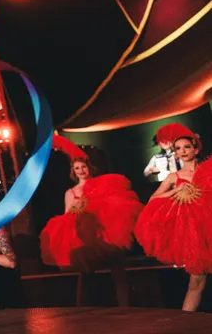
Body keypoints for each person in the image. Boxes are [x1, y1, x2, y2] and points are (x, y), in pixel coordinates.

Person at [39, 135, 142, 307]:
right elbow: (66, 216)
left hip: (106, 232)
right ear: (73, 171)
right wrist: (76, 207)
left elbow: (114, 203)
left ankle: (125, 307)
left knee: (118, 270)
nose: (81, 170)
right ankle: (83, 310)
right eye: (77, 168)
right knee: (86, 274)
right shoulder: (71, 192)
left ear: (89, 167)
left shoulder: (101, 184)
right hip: (86, 235)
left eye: (83, 167)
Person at [135, 124, 211, 311]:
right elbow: (153, 199)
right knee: (197, 282)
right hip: (196, 235)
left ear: (195, 148)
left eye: (186, 147)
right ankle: (184, 327)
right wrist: (176, 190)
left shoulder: (208, 171)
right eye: (178, 148)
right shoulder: (173, 177)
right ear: (175, 153)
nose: (183, 151)